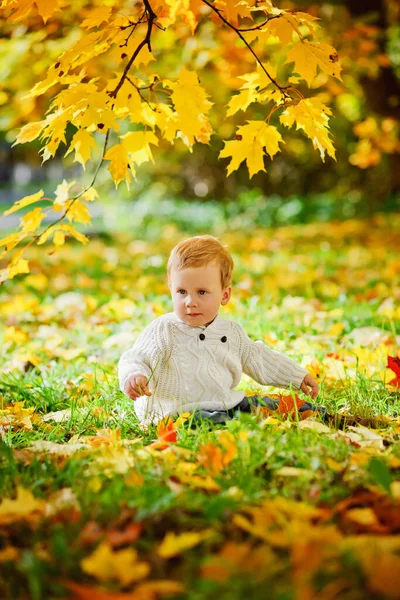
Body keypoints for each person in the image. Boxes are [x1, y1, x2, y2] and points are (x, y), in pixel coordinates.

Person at [118, 235, 321, 427]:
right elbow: (135, 358)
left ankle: (323, 415)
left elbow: (260, 359)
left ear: (224, 295)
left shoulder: (231, 332)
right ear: (171, 290)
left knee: (271, 404)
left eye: (201, 292)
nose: (190, 302)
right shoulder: (163, 330)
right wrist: (134, 376)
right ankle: (234, 426)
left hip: (224, 403)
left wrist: (296, 376)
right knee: (212, 421)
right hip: (176, 412)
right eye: (181, 292)